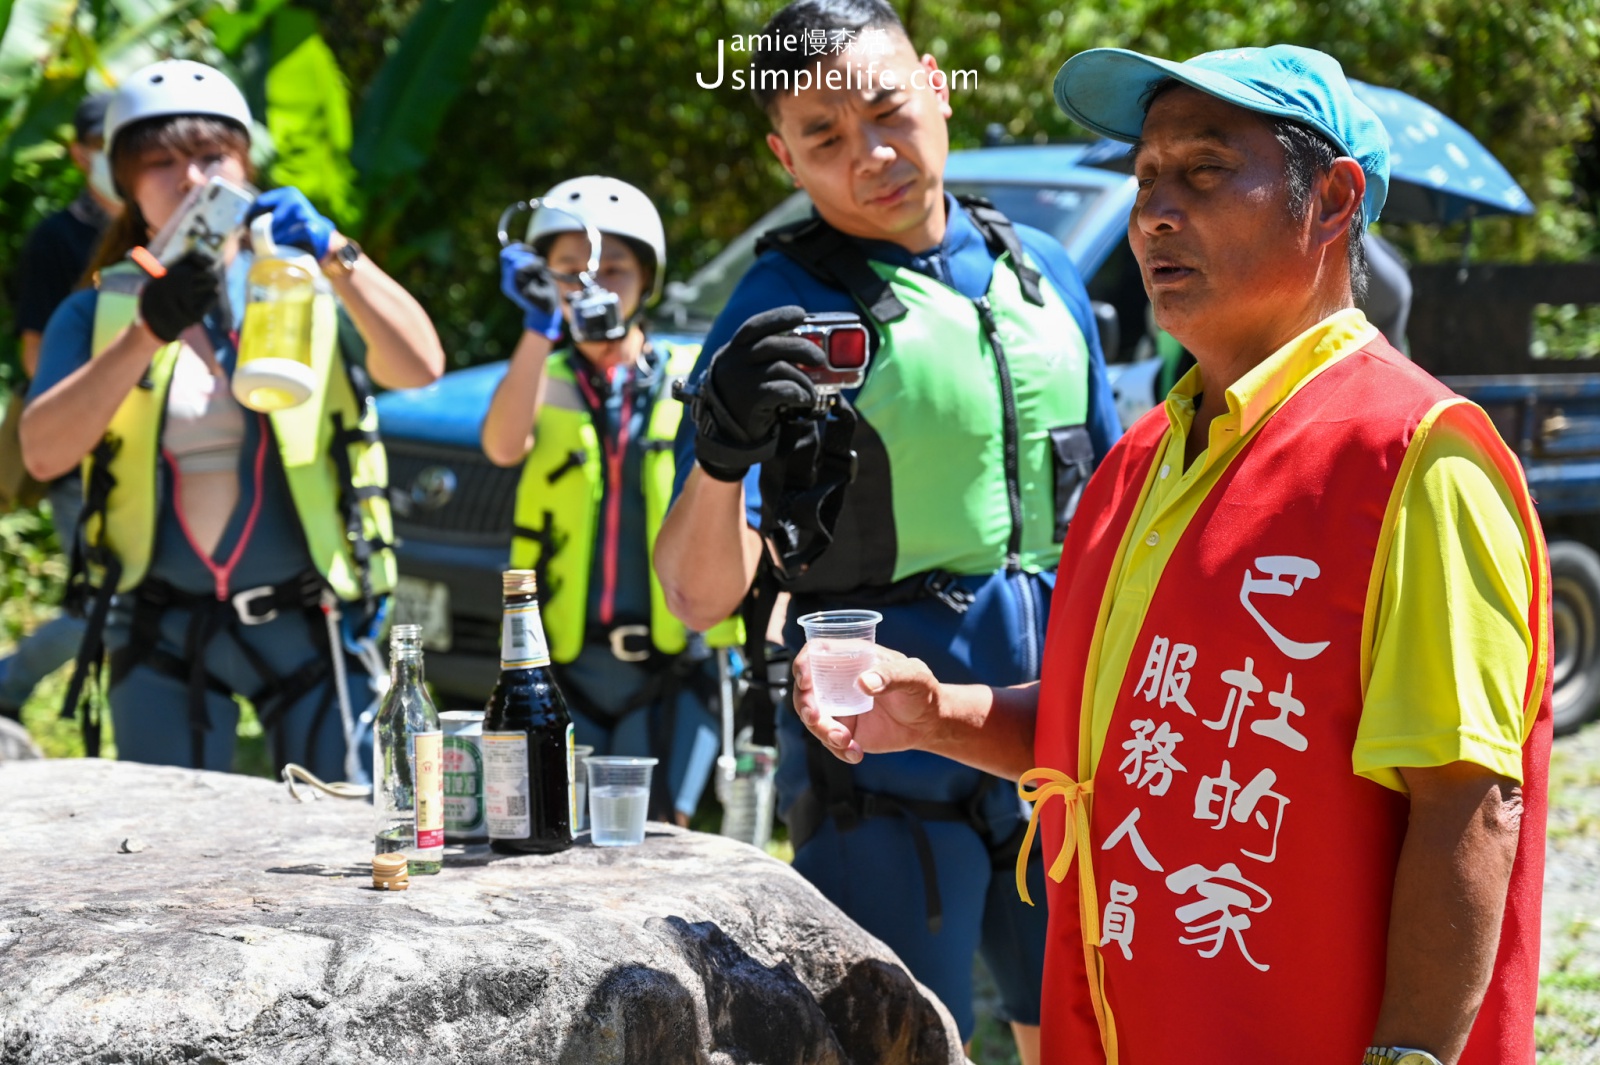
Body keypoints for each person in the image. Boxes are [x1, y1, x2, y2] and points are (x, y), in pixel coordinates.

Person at [794, 44, 1550, 1065]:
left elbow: (1467, 798)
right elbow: (1120, 734)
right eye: (1144, 176)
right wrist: (936, 714)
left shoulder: (1413, 455)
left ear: (1330, 200)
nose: (1154, 211)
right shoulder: (1142, 458)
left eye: (1201, 172)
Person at [654, 1, 1121, 1055]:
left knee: (1085, 1036)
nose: (869, 153)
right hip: (875, 767)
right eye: (823, 137)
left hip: (1055, 739)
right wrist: (723, 454)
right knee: (895, 1044)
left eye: (885, 109)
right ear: (785, 157)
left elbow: (1117, 511)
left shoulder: (1042, 270)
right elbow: (695, 595)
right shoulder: (777, 305)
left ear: (937, 88)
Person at [20, 60, 445, 781]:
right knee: (169, 866)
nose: (191, 180)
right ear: (124, 184)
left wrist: (337, 250)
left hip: (311, 627)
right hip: (160, 628)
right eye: (160, 163)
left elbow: (421, 366)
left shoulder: (309, 285)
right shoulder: (96, 314)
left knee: (338, 850)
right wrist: (146, 332)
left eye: (212, 157)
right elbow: (43, 452)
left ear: (246, 165)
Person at [482, 176, 740, 824]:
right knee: (560, 832)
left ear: (646, 282)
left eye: (616, 269)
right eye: (569, 270)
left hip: (674, 666)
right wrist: (539, 328)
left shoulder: (689, 377)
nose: (593, 284)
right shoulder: (543, 374)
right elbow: (503, 444)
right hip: (569, 664)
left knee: (661, 837)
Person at [0, 94, 119, 719]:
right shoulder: (57, 238)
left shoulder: (167, 230)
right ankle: (8, 684)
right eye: (99, 143)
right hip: (80, 459)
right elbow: (33, 358)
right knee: (104, 605)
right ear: (78, 152)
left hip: (157, 456)